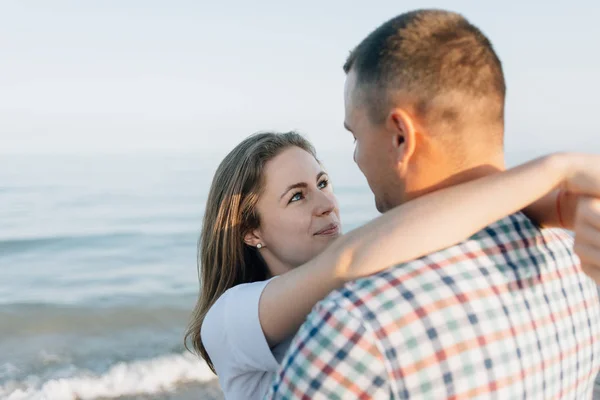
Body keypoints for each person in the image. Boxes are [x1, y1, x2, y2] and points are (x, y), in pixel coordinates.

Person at [266, 10, 600, 399]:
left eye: (356, 135)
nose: (356, 158)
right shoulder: (578, 261)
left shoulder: (359, 324)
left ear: (400, 137)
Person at [186, 131, 600, 399]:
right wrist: (556, 170)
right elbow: (354, 256)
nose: (325, 204)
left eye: (323, 183)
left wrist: (558, 208)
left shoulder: (358, 262)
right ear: (250, 232)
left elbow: (428, 225)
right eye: (297, 196)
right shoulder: (228, 317)